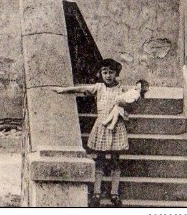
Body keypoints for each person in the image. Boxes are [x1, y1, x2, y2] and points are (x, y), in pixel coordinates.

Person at [55, 58, 131, 207]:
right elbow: (81, 88)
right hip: (102, 126)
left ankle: (114, 193)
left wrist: (125, 109)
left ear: (116, 73)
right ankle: (96, 193)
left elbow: (129, 105)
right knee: (100, 159)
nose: (108, 75)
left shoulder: (121, 90)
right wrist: (63, 90)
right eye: (105, 72)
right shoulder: (99, 88)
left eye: (111, 72)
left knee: (116, 160)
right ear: (100, 73)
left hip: (116, 127)